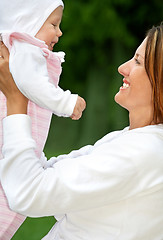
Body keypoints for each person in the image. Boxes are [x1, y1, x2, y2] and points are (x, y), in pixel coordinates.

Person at [0, 23, 163, 240]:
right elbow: (46, 174)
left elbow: (27, 193)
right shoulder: (130, 139)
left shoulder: (143, 153)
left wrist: (16, 102)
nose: (123, 68)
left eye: (138, 61)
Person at [0, 0, 86, 238]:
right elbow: (32, 84)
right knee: (8, 202)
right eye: (53, 24)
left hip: (13, 140)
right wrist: (66, 102)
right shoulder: (24, 47)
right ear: (29, 21)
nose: (59, 32)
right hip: (8, 141)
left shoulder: (17, 48)